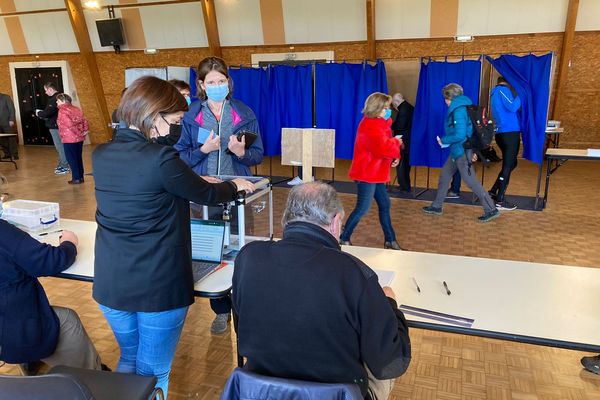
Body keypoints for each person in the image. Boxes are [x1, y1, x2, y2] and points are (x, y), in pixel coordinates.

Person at [92, 76, 255, 398]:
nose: (178, 128)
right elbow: (207, 193)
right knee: (154, 372)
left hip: (112, 282)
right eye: (177, 121)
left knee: (128, 359)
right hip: (156, 285)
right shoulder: (160, 159)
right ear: (154, 116)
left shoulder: (101, 154)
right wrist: (235, 185)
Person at [232, 182, 411, 400]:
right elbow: (391, 363)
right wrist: (391, 307)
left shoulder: (247, 258)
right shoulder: (353, 272)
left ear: (287, 219)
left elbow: (242, 329)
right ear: (335, 223)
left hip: (262, 391)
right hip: (335, 394)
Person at [175, 56, 264, 334]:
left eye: (221, 81)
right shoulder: (190, 116)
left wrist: (241, 153)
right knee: (212, 251)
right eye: (211, 82)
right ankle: (221, 309)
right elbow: (176, 157)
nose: (217, 86)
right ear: (201, 84)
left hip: (236, 192)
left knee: (240, 249)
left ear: (228, 82)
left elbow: (257, 153)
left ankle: (245, 303)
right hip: (203, 193)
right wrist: (202, 152)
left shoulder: (243, 113)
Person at [0, 174, 103, 373]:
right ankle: (93, 376)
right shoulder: (4, 234)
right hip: (14, 324)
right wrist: (69, 242)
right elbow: (50, 261)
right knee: (67, 319)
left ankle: (32, 367)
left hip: (8, 318)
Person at [422, 83, 500, 222]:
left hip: (462, 150)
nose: (444, 101)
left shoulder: (458, 110)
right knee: (445, 176)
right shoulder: (463, 106)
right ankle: (437, 206)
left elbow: (460, 135)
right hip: (456, 150)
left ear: (449, 97)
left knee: (471, 181)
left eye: (445, 98)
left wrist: (444, 140)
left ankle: (491, 209)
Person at [339, 92, 403, 250]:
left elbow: (385, 146)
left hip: (375, 174)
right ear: (377, 108)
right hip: (367, 174)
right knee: (363, 208)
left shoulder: (381, 124)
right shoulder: (370, 125)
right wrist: (396, 143)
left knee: (385, 204)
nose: (389, 110)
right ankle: (344, 237)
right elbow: (382, 148)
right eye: (386, 107)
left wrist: (396, 155)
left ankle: (390, 240)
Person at [489, 76, 522, 211]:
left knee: (512, 163)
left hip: (502, 133)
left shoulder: (494, 93)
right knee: (508, 165)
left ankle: (493, 190)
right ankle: (500, 200)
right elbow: (513, 107)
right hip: (509, 133)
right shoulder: (502, 90)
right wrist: (521, 93)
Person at [36, 82, 69, 175]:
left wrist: (38, 113)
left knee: (60, 147)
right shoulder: (59, 97)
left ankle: (64, 165)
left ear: (50, 89)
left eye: (46, 90)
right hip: (58, 126)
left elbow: (47, 113)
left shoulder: (55, 99)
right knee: (60, 147)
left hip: (56, 126)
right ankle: (62, 163)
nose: (45, 92)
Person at [56, 94, 88, 185]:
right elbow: (85, 120)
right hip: (79, 138)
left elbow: (69, 125)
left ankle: (76, 178)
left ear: (63, 101)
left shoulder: (62, 110)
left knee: (71, 158)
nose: (56, 102)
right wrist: (84, 131)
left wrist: (79, 133)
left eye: (58, 101)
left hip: (69, 138)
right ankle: (80, 176)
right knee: (78, 157)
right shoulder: (76, 109)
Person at [391, 93, 414, 192]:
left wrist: (391, 126)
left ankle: (404, 186)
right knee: (405, 164)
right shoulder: (409, 106)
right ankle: (405, 185)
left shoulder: (403, 108)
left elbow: (400, 126)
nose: (395, 108)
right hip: (408, 139)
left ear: (396, 102)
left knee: (402, 164)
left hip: (403, 140)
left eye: (394, 105)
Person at [0, 92, 18, 160]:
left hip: (7, 122)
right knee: (2, 140)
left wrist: (12, 120)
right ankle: (7, 154)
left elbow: (12, 109)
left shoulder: (6, 97)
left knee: (11, 139)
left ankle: (15, 154)